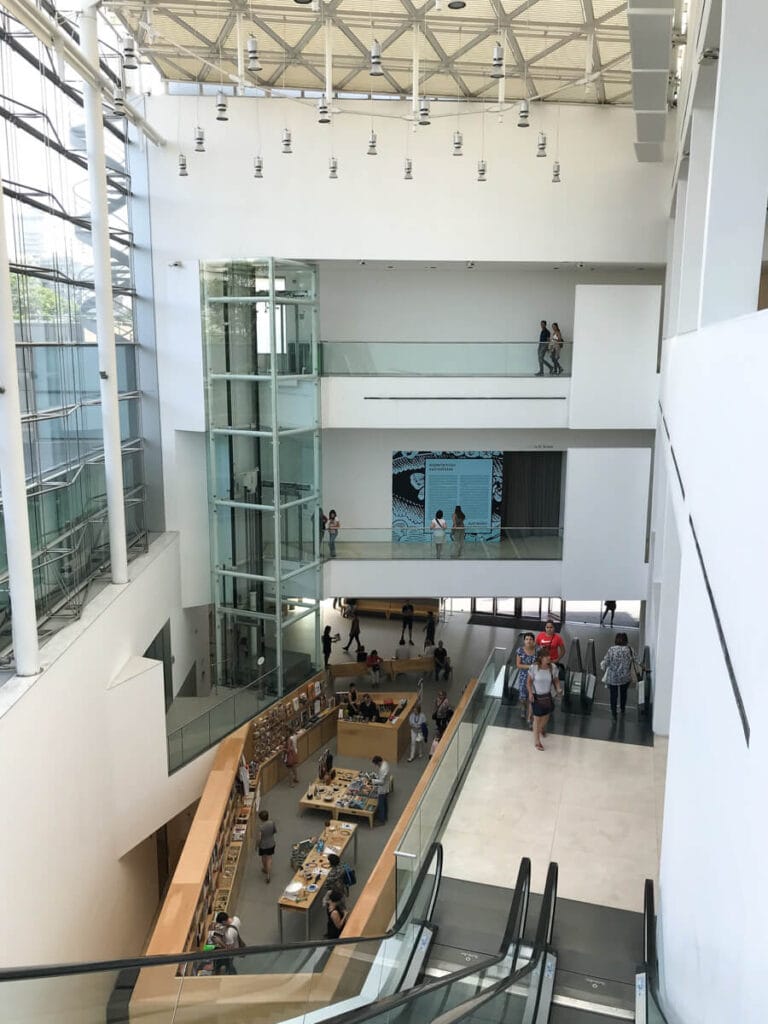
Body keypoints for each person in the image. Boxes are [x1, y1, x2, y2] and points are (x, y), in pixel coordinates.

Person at [527, 650, 562, 751]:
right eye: (546, 656)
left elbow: (556, 679)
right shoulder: (534, 668)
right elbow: (529, 682)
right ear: (540, 658)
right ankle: (537, 741)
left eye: (549, 656)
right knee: (537, 718)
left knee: (546, 717)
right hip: (536, 695)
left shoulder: (553, 667)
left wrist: (558, 688)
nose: (549, 658)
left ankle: (539, 728)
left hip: (548, 696)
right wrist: (530, 693)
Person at [601, 632, 635, 718]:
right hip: (625, 676)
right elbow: (636, 660)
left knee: (613, 694)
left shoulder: (611, 649)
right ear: (626, 640)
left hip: (613, 676)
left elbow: (606, 661)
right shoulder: (630, 649)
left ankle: (614, 713)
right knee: (623, 693)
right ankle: (622, 709)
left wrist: (603, 666)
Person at [516, 632, 537, 726]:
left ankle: (529, 717)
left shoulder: (538, 650)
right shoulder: (520, 650)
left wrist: (533, 667)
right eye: (527, 639)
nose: (528, 641)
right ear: (524, 641)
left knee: (531, 697)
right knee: (523, 697)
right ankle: (523, 707)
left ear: (533, 641)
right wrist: (530, 666)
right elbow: (518, 664)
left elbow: (539, 663)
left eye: (530, 639)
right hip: (523, 676)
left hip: (534, 677)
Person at [256, 809, 277, 883]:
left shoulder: (261, 827)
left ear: (261, 818)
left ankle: (265, 869)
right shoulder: (272, 823)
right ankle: (268, 875)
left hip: (263, 845)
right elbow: (275, 831)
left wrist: (257, 845)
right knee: (269, 858)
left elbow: (259, 838)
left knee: (264, 857)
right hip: (271, 843)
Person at [371, 755, 391, 824]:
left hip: (382, 789)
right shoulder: (385, 763)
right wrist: (377, 776)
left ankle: (382, 820)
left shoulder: (382, 769)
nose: (377, 766)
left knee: (381, 804)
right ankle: (385, 817)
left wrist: (373, 781)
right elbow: (383, 777)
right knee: (385, 803)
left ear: (379, 762)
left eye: (376, 764)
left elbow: (382, 782)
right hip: (386, 787)